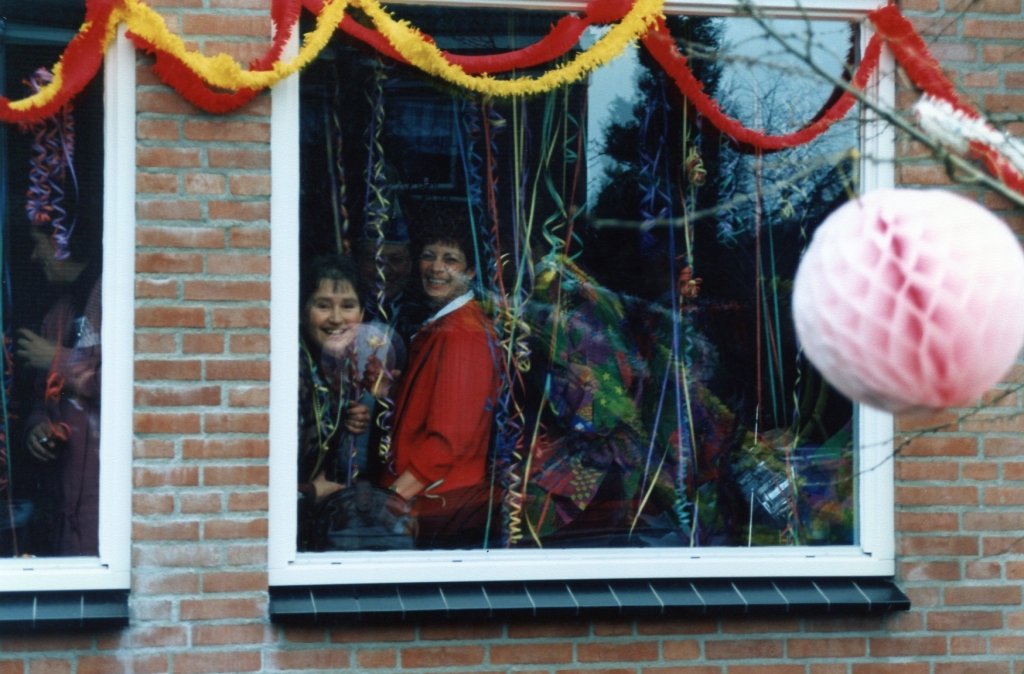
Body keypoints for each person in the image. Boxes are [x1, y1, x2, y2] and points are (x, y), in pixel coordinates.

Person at [381, 214, 500, 548]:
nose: (435, 268)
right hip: (429, 497)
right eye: (428, 256)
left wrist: (392, 500)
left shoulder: (463, 333)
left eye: (450, 259)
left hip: (435, 502)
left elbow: (449, 441)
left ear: (471, 272)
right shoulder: (447, 323)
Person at [18, 221, 102, 556]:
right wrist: (37, 428)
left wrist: (57, 359)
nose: (33, 256)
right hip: (61, 500)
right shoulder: (59, 311)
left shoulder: (114, 297)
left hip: (100, 496)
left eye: (37, 243)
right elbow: (43, 398)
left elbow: (133, 381)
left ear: (60, 244)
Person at [297, 255, 372, 551]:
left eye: (348, 306)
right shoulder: (291, 371)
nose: (337, 318)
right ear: (302, 311)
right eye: (323, 305)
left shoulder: (340, 368)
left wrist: (345, 422)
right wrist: (309, 493)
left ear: (362, 314)